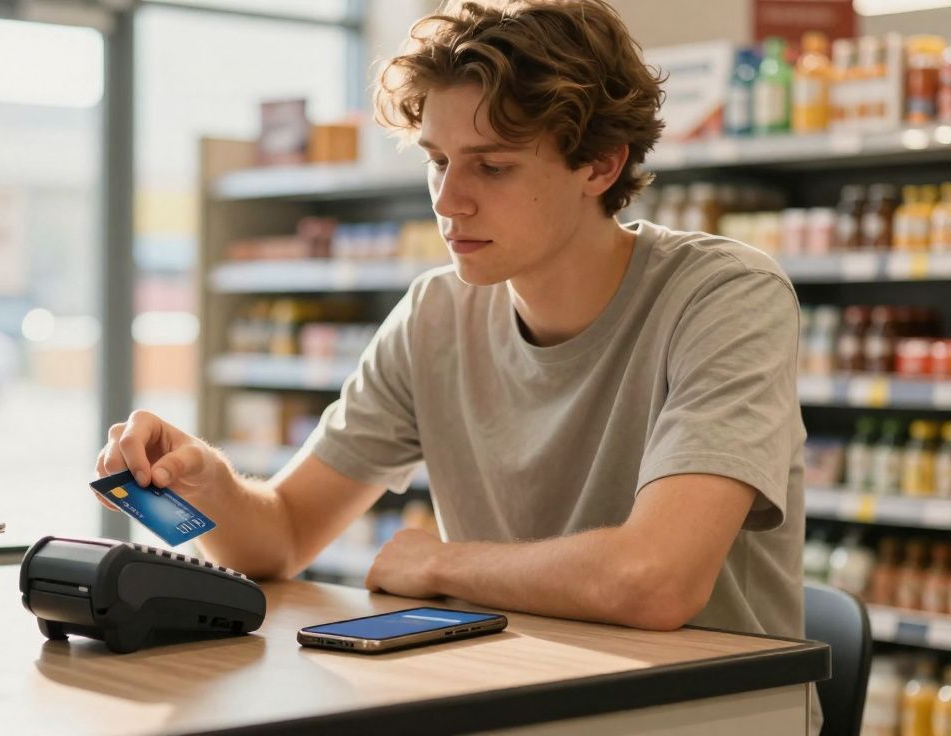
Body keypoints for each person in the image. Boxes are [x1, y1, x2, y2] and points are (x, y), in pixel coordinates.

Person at [97, 0, 804, 654]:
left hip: (706, 709)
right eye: (437, 161)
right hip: (504, 690)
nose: (448, 200)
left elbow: (656, 580)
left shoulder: (723, 296)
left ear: (600, 164)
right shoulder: (436, 315)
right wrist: (207, 483)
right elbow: (281, 536)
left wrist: (438, 562)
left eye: (491, 166)